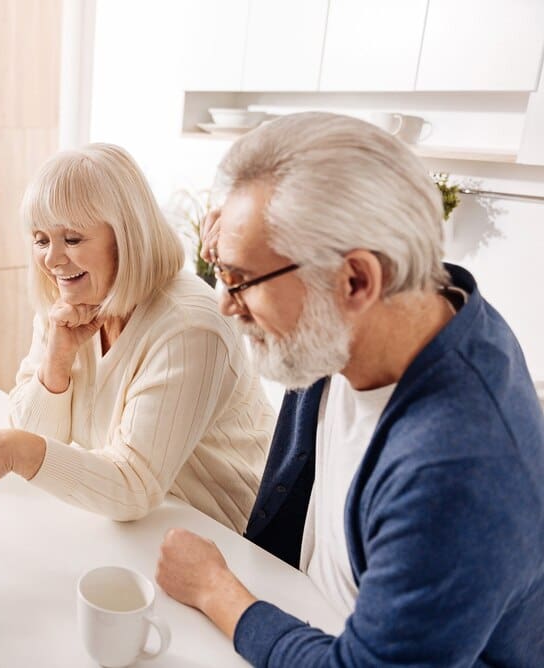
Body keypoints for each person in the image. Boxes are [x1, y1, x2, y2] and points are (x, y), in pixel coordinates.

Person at [155, 112, 544, 666]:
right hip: (307, 608)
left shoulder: (456, 467)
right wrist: (244, 248)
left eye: (241, 281)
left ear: (357, 281)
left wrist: (216, 590)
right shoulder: (409, 301)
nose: (225, 302)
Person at [0, 143, 275, 531]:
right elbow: (38, 434)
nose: (52, 259)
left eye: (73, 239)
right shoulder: (70, 298)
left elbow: (133, 486)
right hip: (142, 524)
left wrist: (13, 449)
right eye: (41, 239)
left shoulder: (190, 325)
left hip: (226, 535)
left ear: (127, 237)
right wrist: (57, 359)